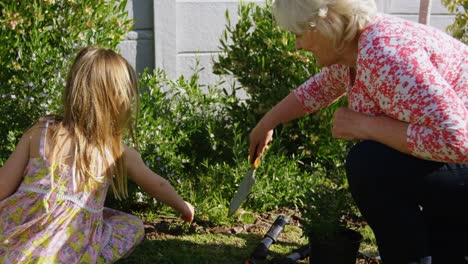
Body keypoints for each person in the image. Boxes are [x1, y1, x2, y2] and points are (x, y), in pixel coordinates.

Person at [248, 0, 467, 263]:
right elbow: (317, 90)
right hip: (454, 172)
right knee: (377, 160)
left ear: (324, 26)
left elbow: (457, 140)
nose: (297, 45)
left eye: (298, 34)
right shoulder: (355, 47)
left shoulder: (384, 53)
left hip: (460, 160)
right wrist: (266, 124)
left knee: (371, 164)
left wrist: (364, 125)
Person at [0, 46, 194, 263]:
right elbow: (158, 185)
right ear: (118, 100)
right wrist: (183, 206)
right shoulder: (117, 152)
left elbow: (2, 184)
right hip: (66, 250)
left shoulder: (41, 132)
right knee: (131, 226)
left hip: (16, 238)